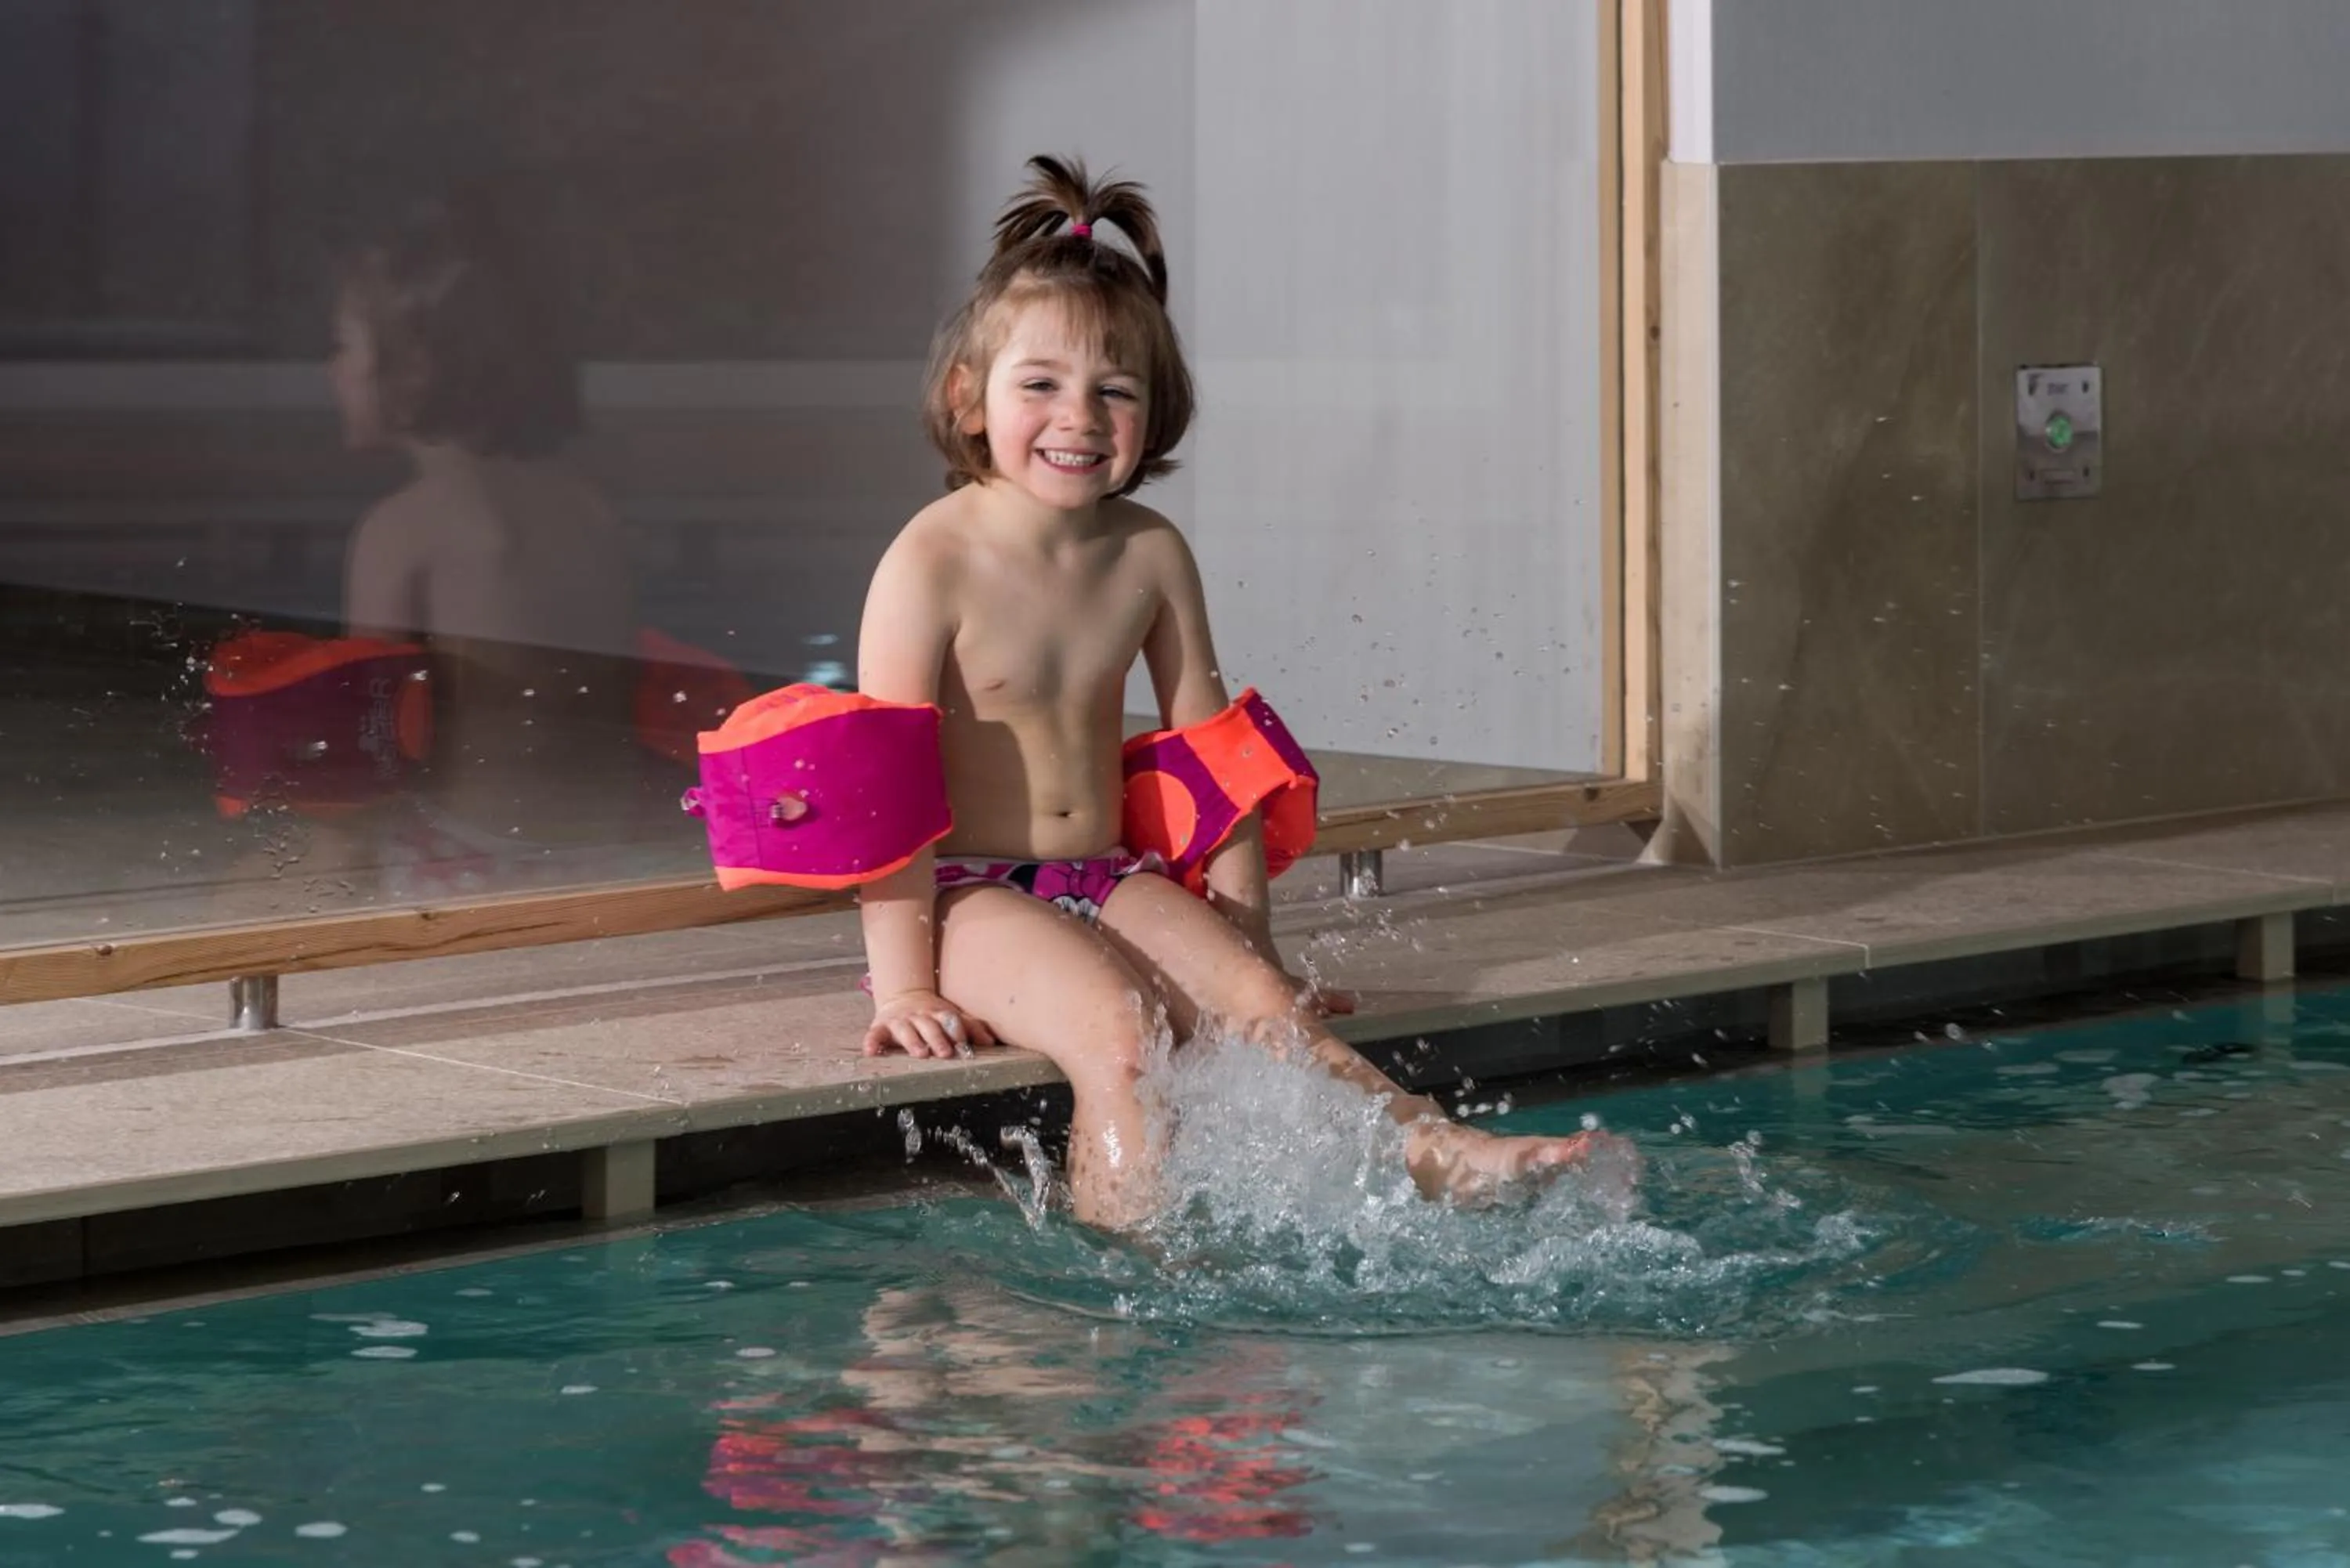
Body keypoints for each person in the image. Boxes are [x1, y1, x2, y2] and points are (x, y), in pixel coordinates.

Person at [855, 156, 1625, 1230]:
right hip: (969, 896)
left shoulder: (1148, 552)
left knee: (1269, 1015)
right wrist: (904, 988)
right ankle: (1136, 1277)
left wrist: (1247, 956)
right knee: (1122, 1036)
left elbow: (1214, 760)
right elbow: (879, 789)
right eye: (1040, 383)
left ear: (1153, 412)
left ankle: (1434, 1144)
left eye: (1114, 390)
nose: (1078, 415)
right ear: (966, 399)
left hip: (1106, 874)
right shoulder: (928, 562)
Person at [328, 194, 657, 892]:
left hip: (470, 860)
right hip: (606, 853)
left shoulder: (404, 527)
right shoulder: (585, 506)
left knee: (285, 863)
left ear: (409, 367)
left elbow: (366, 741)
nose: (333, 369)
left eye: (346, 346)